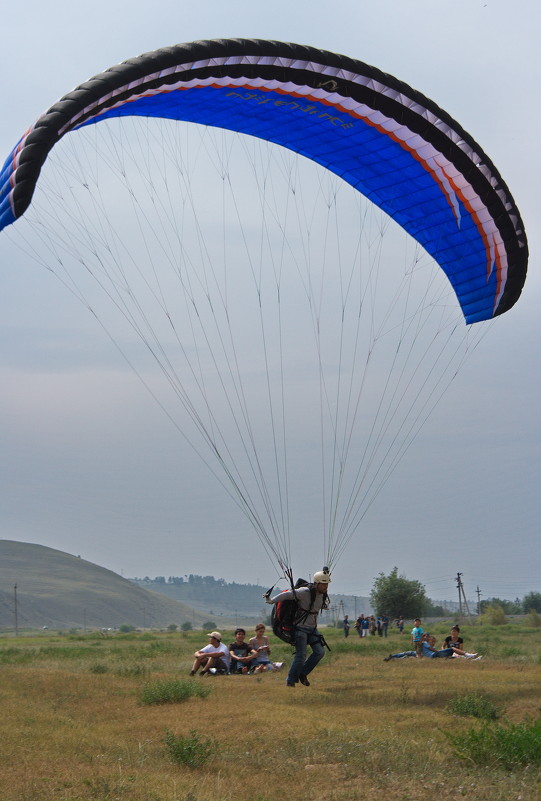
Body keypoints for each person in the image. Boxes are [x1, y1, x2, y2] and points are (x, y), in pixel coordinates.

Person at [265, 568, 331, 687]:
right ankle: (290, 681)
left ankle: (302, 673)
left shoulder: (323, 594)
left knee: (320, 652)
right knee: (301, 655)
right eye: (323, 584)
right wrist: (271, 600)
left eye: (327, 584)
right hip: (300, 629)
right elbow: (287, 595)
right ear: (316, 583)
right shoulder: (304, 592)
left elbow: (322, 604)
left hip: (312, 629)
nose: (326, 587)